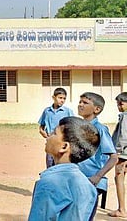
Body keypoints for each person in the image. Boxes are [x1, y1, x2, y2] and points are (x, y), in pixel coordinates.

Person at [28, 116, 100, 220]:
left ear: (64, 147)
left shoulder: (49, 183)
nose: (48, 136)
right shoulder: (89, 187)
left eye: (54, 133)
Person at [77, 92, 118, 220]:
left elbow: (114, 157)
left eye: (85, 103)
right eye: (80, 102)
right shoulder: (77, 127)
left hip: (91, 180)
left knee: (84, 215)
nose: (80, 105)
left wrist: (98, 176)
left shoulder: (100, 129)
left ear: (97, 109)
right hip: (76, 178)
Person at [38, 87, 75, 168]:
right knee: (50, 165)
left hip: (63, 143)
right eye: (60, 98)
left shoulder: (68, 111)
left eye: (64, 98)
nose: (62, 100)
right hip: (50, 142)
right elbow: (41, 126)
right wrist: (41, 131)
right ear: (53, 97)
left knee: (61, 166)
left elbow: (73, 127)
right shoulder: (47, 111)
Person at [109, 92, 127, 218]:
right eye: (118, 104)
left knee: (119, 178)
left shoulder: (125, 117)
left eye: (121, 104)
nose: (119, 106)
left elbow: (123, 136)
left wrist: (119, 152)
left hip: (123, 154)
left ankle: (121, 209)